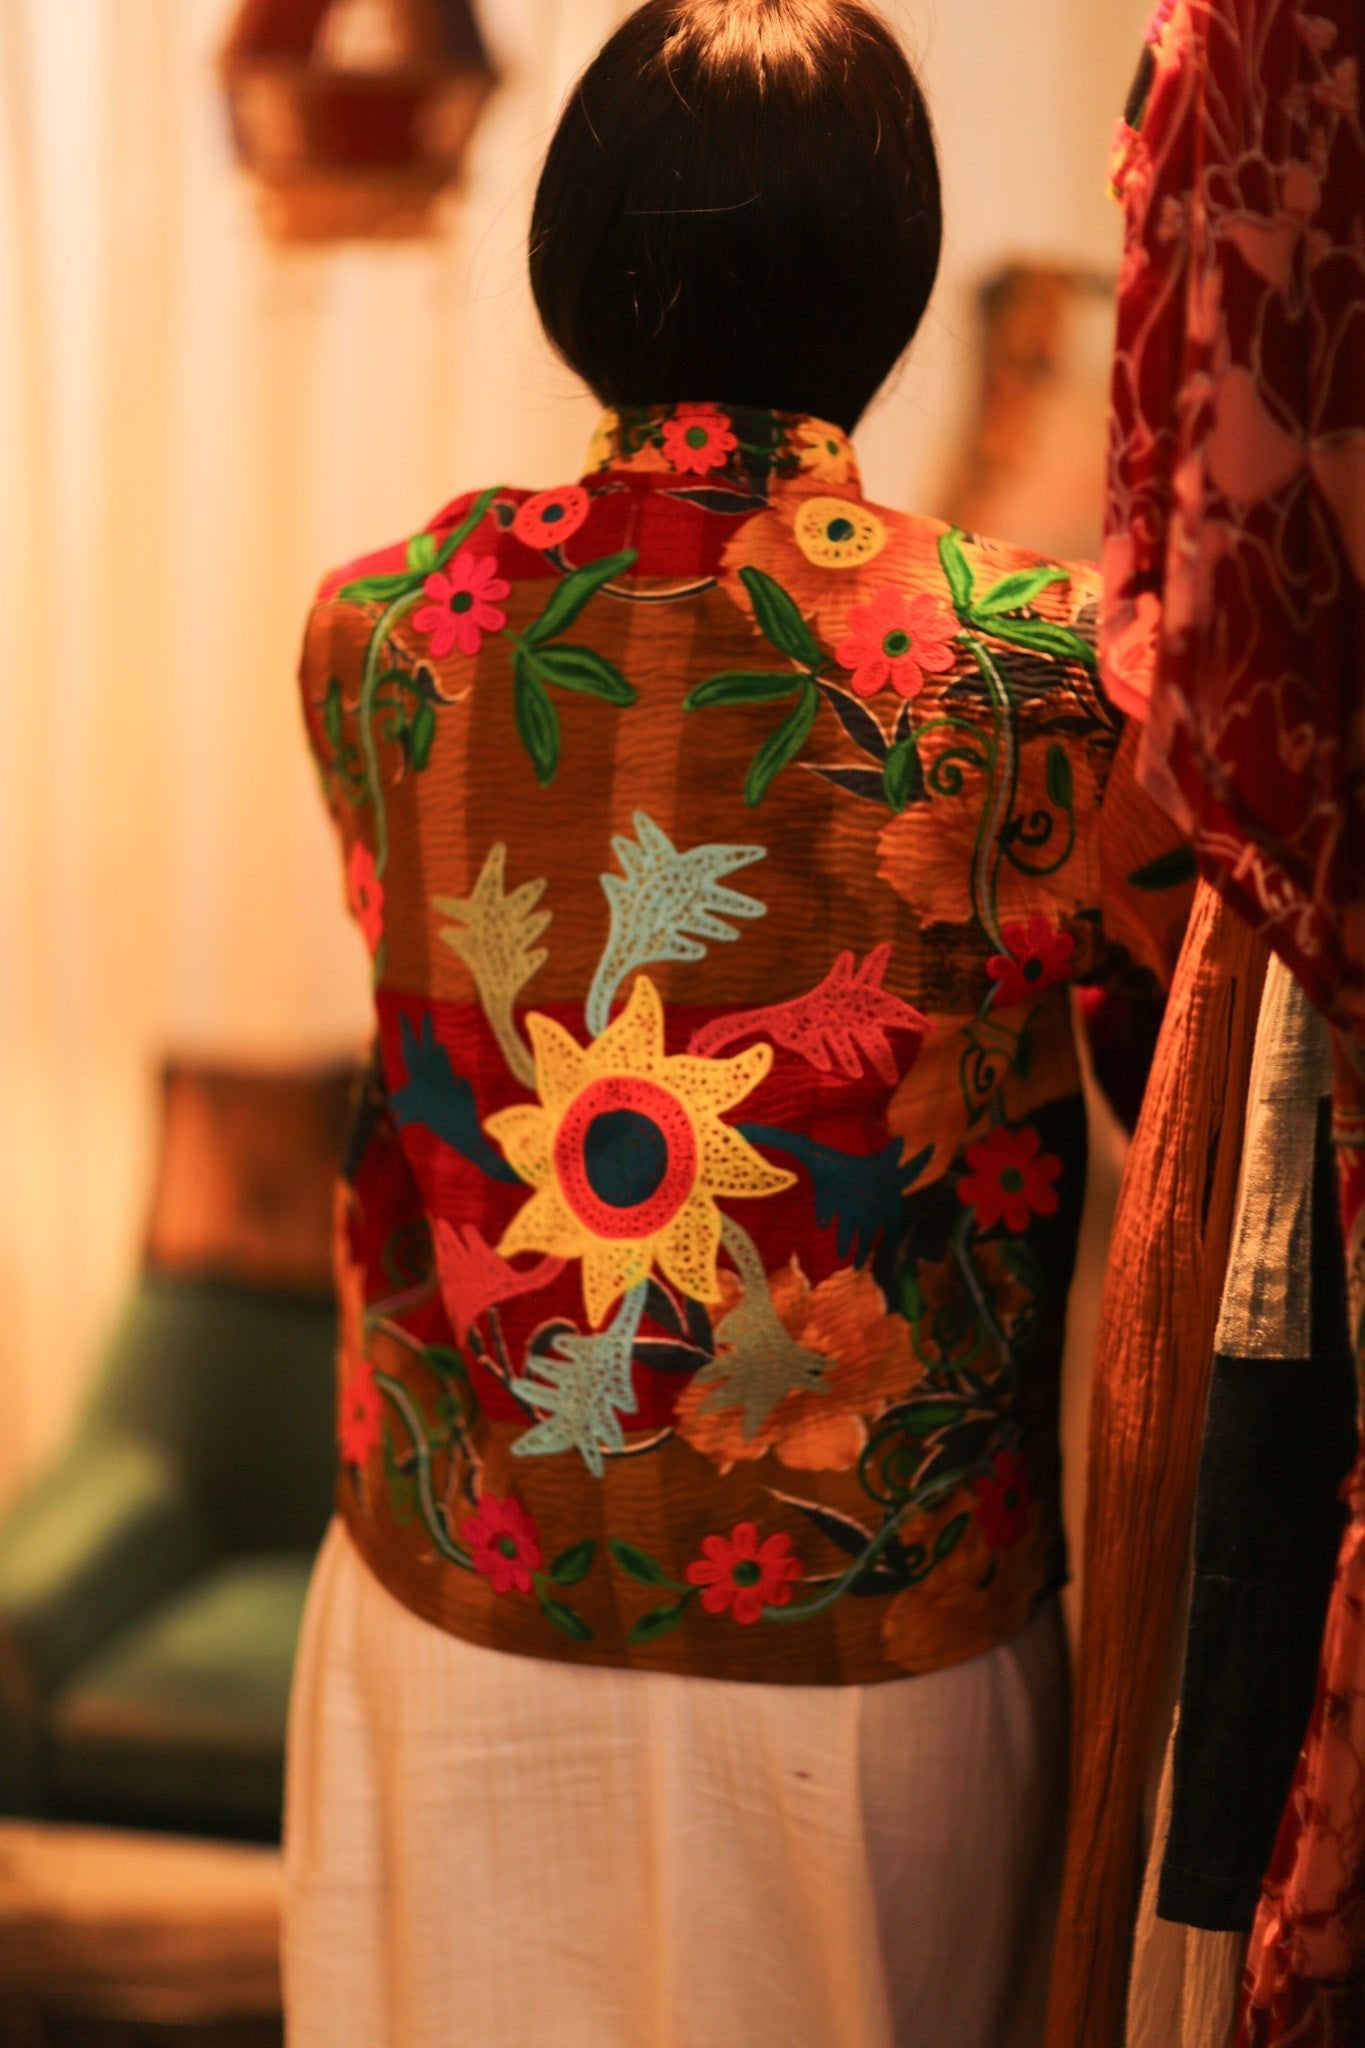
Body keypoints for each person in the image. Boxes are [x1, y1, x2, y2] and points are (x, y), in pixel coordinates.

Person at [281, 4, 1192, 2044]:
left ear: (570, 244)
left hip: (458, 1579)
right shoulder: (1041, 672)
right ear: (889, 274)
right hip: (868, 1629)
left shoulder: (379, 629)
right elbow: (1154, 1083)